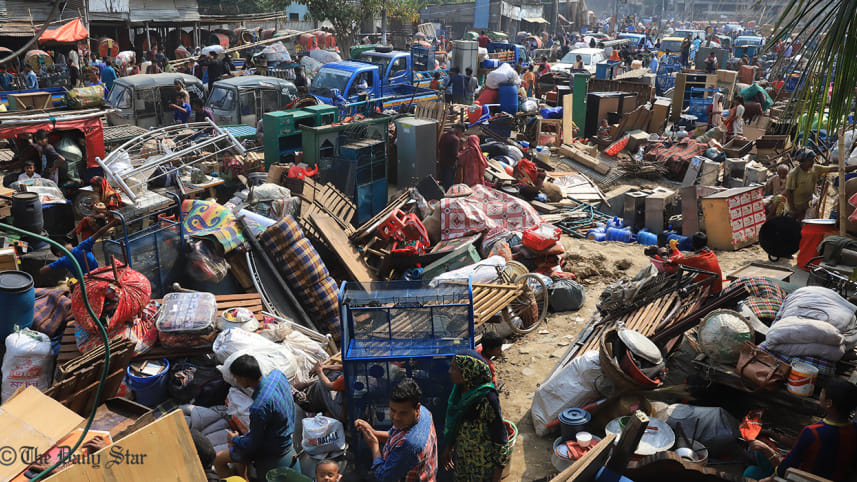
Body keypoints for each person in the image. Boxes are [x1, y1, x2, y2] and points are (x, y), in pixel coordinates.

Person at [750, 378, 857, 482]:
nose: (820, 395)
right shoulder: (854, 428)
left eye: (822, 393)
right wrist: (774, 435)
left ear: (829, 403)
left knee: (750, 472)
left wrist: (766, 450)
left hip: (803, 478)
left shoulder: (813, 432)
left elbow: (784, 471)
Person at [214, 354, 300, 479]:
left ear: (244, 379)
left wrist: (234, 439)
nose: (237, 382)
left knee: (218, 459)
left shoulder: (259, 407)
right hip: (285, 439)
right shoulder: (277, 375)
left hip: (272, 449)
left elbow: (253, 444)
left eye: (237, 378)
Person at [441, 350, 510, 481]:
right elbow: (455, 422)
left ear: (468, 372)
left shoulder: (487, 398)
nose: (450, 371)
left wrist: (497, 476)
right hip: (463, 459)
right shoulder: (460, 391)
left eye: (454, 368)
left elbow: (500, 438)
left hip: (482, 465)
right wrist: (449, 447)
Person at [354, 378, 438, 481]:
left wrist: (374, 445)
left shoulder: (409, 446)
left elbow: (383, 477)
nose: (396, 417)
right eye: (393, 410)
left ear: (416, 408)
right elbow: (394, 436)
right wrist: (373, 432)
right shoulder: (424, 412)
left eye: (403, 413)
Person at [786, 148, 857, 219]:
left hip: (807, 205)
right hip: (796, 207)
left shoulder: (815, 168)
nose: (812, 162)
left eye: (813, 160)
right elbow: (789, 192)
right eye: (809, 160)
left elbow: (834, 169)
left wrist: (853, 167)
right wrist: (792, 209)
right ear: (802, 161)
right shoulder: (794, 174)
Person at [75, 176, 124, 240]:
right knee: (86, 224)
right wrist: (92, 208)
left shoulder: (112, 195)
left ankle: (76, 235)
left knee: (86, 221)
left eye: (94, 187)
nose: (94, 189)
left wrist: (97, 210)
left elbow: (113, 212)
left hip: (114, 220)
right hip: (105, 219)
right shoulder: (102, 195)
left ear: (100, 186)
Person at [438, 123, 465, 189]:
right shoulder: (455, 139)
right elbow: (455, 154)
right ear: (459, 130)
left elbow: (439, 146)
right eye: (461, 133)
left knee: (442, 181)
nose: (461, 135)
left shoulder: (444, 135)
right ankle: (447, 196)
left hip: (442, 162)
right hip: (450, 164)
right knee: (448, 183)